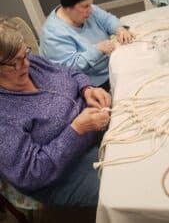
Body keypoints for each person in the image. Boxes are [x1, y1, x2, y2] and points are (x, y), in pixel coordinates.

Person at [0, 18, 111, 207]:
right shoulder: (4, 114)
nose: (26, 64)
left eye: (25, 54)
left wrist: (87, 89)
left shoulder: (31, 62)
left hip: (94, 131)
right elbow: (31, 173)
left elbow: (70, 73)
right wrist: (76, 130)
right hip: (61, 175)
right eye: (15, 63)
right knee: (128, 188)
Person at [40, 0, 134, 91]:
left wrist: (119, 29)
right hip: (91, 86)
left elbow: (107, 19)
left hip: (111, 67)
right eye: (85, 6)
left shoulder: (86, 9)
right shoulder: (53, 33)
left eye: (90, 4)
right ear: (68, 8)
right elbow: (69, 68)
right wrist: (98, 50)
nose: (90, 10)